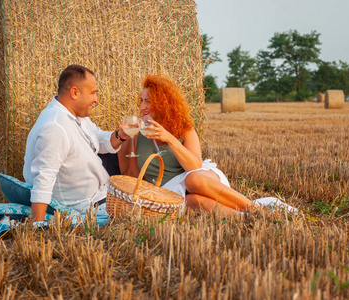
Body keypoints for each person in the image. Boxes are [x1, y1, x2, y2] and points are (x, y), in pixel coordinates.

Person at [117, 74, 274, 215]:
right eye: (142, 101)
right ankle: (254, 218)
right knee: (196, 201)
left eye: (148, 102)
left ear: (163, 103)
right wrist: (130, 142)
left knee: (192, 180)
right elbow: (131, 178)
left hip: (200, 179)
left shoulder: (184, 128)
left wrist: (169, 138)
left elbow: (194, 166)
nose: (142, 107)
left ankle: (256, 209)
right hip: (169, 191)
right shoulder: (136, 133)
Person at [23, 64, 129, 222]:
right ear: (74, 92)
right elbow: (44, 176)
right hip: (88, 207)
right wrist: (38, 224)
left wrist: (120, 135)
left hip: (102, 197)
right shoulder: (55, 127)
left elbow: (99, 139)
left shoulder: (77, 116)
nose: (96, 99)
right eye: (93, 93)